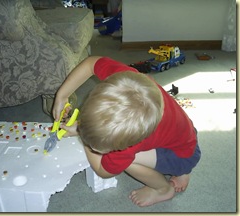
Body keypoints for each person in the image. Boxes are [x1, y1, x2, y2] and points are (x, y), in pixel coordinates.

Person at [52, 56, 201, 207]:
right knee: (172, 141)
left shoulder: (127, 148)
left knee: (128, 163)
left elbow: (103, 171)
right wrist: (62, 96)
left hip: (182, 154)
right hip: (184, 135)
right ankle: (183, 171)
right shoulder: (125, 80)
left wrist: (85, 139)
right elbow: (91, 63)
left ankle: (163, 189)